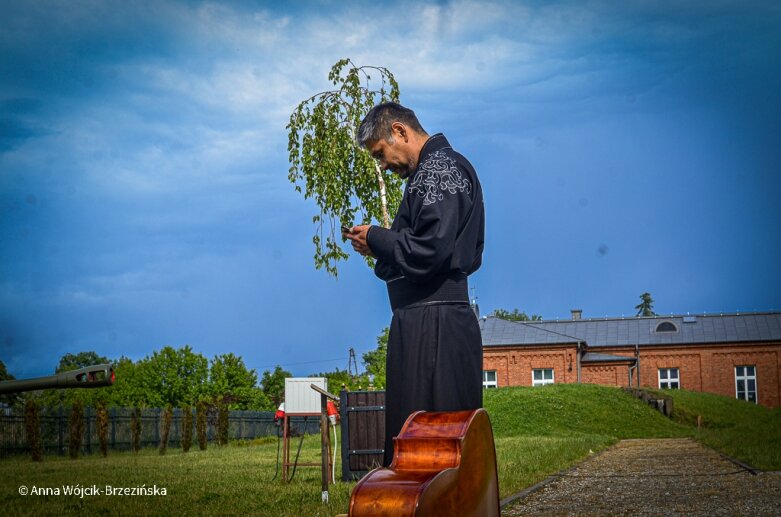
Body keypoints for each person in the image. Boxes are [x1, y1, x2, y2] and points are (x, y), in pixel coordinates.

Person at [344, 102, 485, 466]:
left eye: (381, 153)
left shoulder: (440, 169)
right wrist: (379, 245)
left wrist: (378, 237)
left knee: (431, 443)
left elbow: (431, 250)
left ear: (400, 132)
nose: (383, 165)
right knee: (419, 441)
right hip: (427, 325)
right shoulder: (431, 172)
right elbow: (420, 249)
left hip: (435, 328)